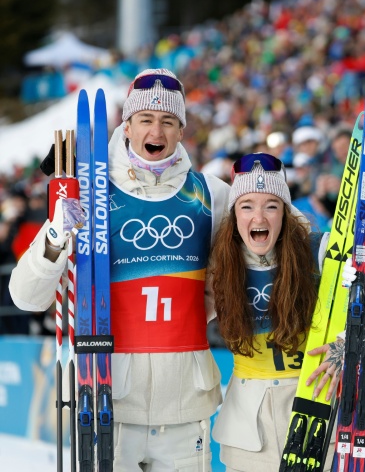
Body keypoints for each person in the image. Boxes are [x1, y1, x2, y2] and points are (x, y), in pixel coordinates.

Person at [9, 68, 231, 471]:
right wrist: (57, 232)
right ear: (127, 126)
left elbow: (270, 236)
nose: (156, 131)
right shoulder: (89, 193)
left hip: (185, 405)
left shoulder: (211, 195)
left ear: (181, 131)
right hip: (107, 400)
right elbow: (26, 297)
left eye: (168, 121)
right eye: (145, 119)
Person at [210, 152, 365, 471]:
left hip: (317, 418)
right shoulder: (220, 262)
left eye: (271, 206)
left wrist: (350, 347)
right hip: (248, 432)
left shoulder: (321, 251)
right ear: (234, 214)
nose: (259, 218)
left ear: (285, 212)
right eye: (247, 206)